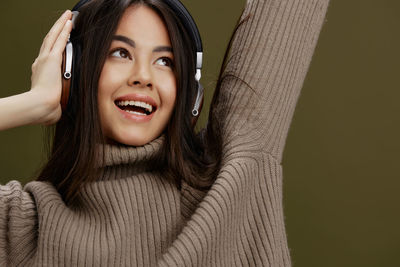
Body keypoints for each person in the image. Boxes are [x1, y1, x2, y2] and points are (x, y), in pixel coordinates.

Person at [0, 0, 330, 266]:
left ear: (190, 97)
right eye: (120, 53)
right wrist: (34, 103)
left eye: (165, 61)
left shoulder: (232, 171)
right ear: (73, 72)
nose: (143, 76)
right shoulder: (21, 225)